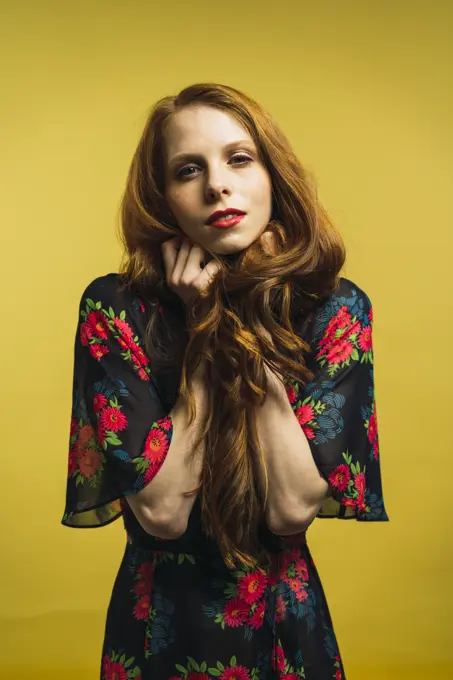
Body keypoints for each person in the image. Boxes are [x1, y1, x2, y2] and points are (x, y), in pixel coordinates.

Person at [61, 82, 389, 680]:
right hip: (159, 625)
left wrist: (242, 334)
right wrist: (204, 332)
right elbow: (163, 514)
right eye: (189, 170)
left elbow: (290, 509)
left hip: (284, 631)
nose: (217, 184)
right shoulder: (116, 308)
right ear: (163, 200)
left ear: (273, 177)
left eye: (239, 158)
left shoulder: (335, 309)